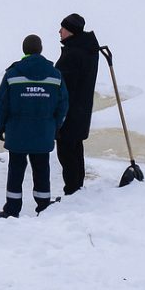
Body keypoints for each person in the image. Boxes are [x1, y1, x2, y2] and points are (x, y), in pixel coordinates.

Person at [0, 35, 68, 218]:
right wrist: (56, 126)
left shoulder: (12, 74)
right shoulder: (55, 75)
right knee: (41, 169)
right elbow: (63, 104)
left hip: (17, 132)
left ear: (24, 50)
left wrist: (0, 126)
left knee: (16, 170)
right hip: (43, 132)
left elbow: (1, 104)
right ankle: (43, 206)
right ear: (40, 49)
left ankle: (12, 209)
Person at [55, 13, 100, 195]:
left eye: (63, 28)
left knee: (67, 152)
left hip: (70, 112)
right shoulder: (87, 49)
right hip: (81, 109)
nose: (59, 31)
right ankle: (77, 189)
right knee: (75, 149)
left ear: (71, 31)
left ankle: (72, 190)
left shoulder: (73, 54)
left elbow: (63, 86)